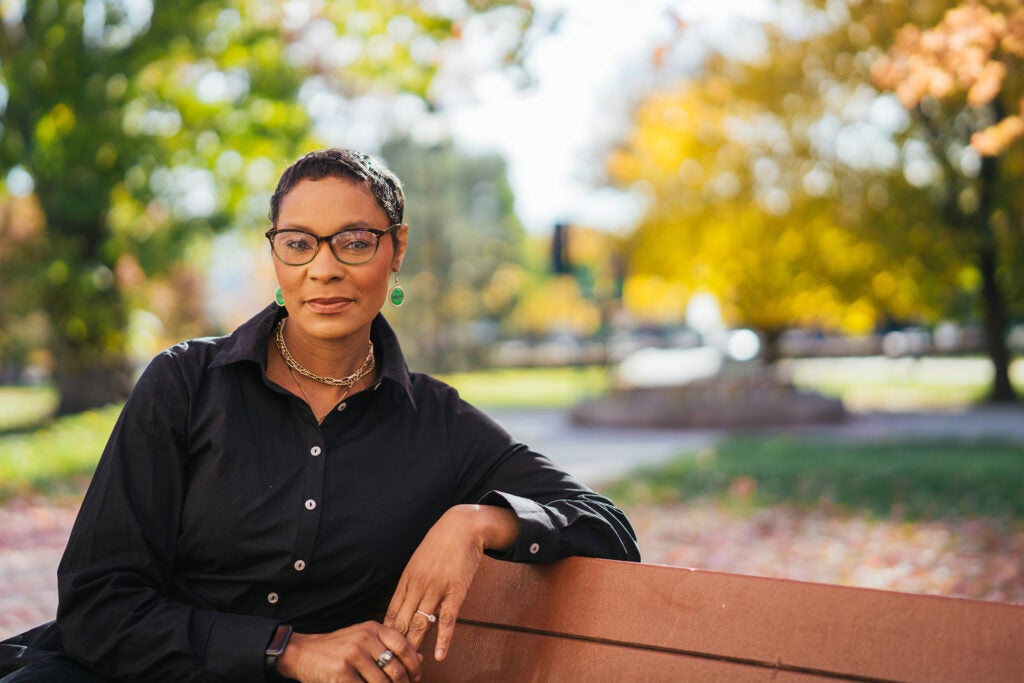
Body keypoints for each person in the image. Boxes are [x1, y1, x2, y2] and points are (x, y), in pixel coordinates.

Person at [0, 148, 640, 682]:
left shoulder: (439, 426)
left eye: (356, 243)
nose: (325, 269)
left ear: (397, 249)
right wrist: (286, 648)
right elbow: (96, 604)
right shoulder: (186, 385)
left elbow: (611, 532)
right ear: (275, 255)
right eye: (300, 244)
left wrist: (482, 519)